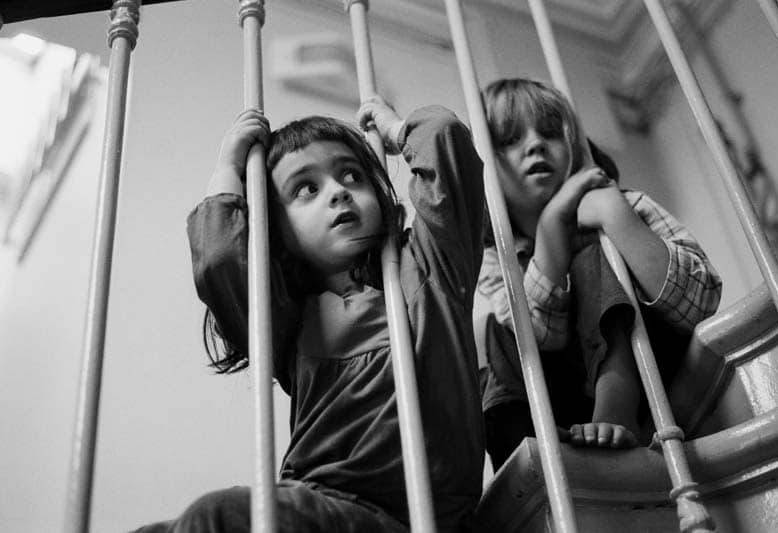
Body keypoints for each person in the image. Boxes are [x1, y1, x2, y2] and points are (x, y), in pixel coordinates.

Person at [133, 96, 486, 533]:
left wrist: (396, 131)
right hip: (315, 501)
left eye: (351, 175)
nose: (338, 191)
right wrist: (228, 169)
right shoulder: (290, 321)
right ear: (278, 232)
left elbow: (446, 140)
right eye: (306, 189)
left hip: (417, 517)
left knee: (216, 516)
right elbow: (221, 260)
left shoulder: (429, 274)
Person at [477, 78, 722, 469]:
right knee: (498, 330)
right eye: (510, 140)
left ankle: (616, 404)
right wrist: (551, 229)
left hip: (649, 376)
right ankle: (521, 444)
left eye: (550, 133)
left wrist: (615, 216)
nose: (535, 144)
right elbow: (541, 337)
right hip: (564, 402)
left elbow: (701, 302)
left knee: (592, 251)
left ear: (576, 148)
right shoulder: (495, 258)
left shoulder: (627, 204)